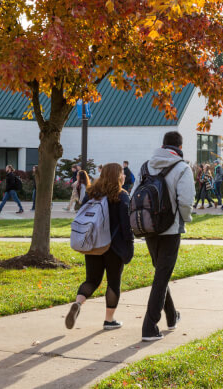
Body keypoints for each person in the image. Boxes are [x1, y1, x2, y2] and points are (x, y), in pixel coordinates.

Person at [140, 131, 195, 341]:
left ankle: (172, 317)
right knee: (162, 276)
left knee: (161, 274)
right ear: (180, 147)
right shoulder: (182, 168)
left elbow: (137, 193)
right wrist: (185, 219)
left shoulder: (146, 166)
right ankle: (149, 326)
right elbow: (186, 201)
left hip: (149, 227)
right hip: (171, 229)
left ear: (163, 145)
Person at [65, 163, 133, 331]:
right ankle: (109, 320)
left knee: (92, 280)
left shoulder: (91, 193)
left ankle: (78, 302)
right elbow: (126, 225)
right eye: (122, 173)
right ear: (118, 176)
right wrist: (129, 246)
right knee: (113, 283)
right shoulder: (121, 195)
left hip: (93, 244)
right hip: (114, 247)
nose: (124, 176)